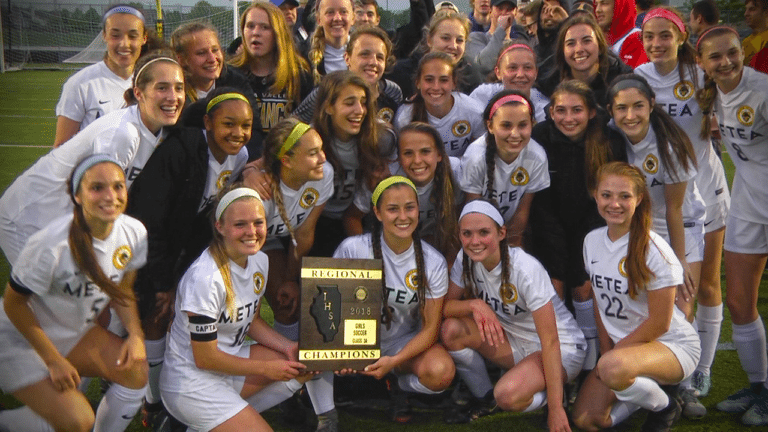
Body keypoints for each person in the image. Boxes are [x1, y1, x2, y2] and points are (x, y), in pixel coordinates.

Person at [124, 88, 251, 425]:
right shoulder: (180, 151)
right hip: (142, 244)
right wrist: (164, 281)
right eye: (228, 124)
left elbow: (201, 214)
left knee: (171, 317)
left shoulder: (239, 157)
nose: (238, 133)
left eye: (246, 125)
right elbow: (151, 222)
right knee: (150, 315)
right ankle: (151, 401)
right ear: (207, 122)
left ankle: (165, 393)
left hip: (180, 246)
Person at [0, 155, 148, 432]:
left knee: (136, 371)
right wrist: (53, 360)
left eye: (118, 186)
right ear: (77, 195)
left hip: (72, 332)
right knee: (78, 420)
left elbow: (122, 291)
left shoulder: (134, 232)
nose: (111, 196)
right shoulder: (51, 244)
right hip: (20, 337)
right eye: (97, 188)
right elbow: (14, 304)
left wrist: (136, 334)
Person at [0, 52, 184, 268]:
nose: (173, 97)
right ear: (139, 93)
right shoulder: (123, 134)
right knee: (48, 297)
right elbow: (97, 202)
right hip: (29, 218)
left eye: (178, 87)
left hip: (63, 220)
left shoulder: (160, 130)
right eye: (162, 88)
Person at [635, 6, 730, 419]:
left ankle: (700, 373)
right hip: (663, 198)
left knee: (705, 285)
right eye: (649, 37)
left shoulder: (700, 74)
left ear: (680, 36)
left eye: (665, 35)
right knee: (671, 292)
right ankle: (673, 370)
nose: (657, 43)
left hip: (706, 190)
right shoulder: (638, 78)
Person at [160, 186, 313, 432]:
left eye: (258, 223)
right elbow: (205, 358)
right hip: (191, 382)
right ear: (219, 226)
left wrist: (289, 346)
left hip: (227, 366)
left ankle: (206, 425)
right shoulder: (205, 278)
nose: (251, 232)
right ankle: (196, 418)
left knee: (296, 365)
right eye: (240, 224)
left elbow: (250, 320)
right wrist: (266, 369)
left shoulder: (259, 260)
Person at [572, 161, 701, 432]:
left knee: (612, 369)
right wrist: (606, 350)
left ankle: (665, 407)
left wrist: (613, 357)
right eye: (606, 195)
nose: (614, 204)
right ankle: (644, 393)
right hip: (626, 349)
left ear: (639, 198)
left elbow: (660, 324)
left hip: (671, 345)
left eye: (624, 196)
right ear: (595, 194)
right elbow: (599, 298)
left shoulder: (654, 250)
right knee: (586, 420)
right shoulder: (591, 240)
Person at [441, 199, 586, 428]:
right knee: (451, 330)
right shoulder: (464, 258)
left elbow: (550, 340)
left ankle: (556, 398)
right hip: (514, 342)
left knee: (508, 395)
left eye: (484, 232)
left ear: (501, 233)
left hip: (562, 349)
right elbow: (446, 307)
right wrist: (475, 304)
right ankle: (485, 398)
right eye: (467, 233)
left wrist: (556, 410)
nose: (475, 241)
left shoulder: (525, 269)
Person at [334, 176, 455, 422]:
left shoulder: (433, 262)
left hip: (400, 345)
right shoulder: (352, 250)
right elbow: (329, 307)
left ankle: (397, 385)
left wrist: (395, 361)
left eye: (409, 207)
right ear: (377, 213)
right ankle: (324, 409)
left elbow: (431, 329)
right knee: (310, 355)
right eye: (392, 209)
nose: (403, 216)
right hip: (354, 342)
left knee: (441, 373)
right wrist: (339, 351)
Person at [696, 25, 768, 426]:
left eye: (732, 53)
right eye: (715, 56)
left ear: (743, 52)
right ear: (702, 63)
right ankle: (758, 386)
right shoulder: (712, 96)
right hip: (746, 205)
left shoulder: (762, 90)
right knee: (740, 303)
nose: (726, 62)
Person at [528, 80, 626, 371]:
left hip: (593, 225)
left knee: (583, 287)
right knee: (554, 286)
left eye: (576, 110)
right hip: (548, 224)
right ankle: (562, 358)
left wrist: (583, 245)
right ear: (550, 112)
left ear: (592, 113)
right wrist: (557, 247)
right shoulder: (540, 136)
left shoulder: (609, 142)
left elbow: (606, 199)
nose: (568, 118)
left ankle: (589, 362)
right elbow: (539, 199)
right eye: (561, 110)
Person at [607, 74, 705, 343]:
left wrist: (680, 259)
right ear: (611, 111)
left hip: (680, 227)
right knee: (644, 308)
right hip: (641, 228)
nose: (630, 115)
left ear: (651, 104)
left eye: (638, 106)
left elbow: (675, 208)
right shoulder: (611, 135)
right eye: (621, 108)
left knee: (681, 307)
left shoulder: (670, 145)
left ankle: (694, 374)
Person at [345, 122, 462, 262]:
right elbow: (352, 217)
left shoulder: (454, 172)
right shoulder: (383, 177)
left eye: (425, 151)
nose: (417, 161)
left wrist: (450, 262)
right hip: (386, 249)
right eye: (408, 153)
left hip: (432, 248)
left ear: (439, 154)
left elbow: (458, 221)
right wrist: (368, 256)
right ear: (398, 158)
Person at [460, 90, 549, 248]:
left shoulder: (537, 156)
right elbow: (473, 212)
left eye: (522, 125)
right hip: (479, 232)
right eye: (506, 125)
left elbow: (522, 211)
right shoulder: (475, 158)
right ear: (490, 126)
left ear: (532, 124)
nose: (514, 134)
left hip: (511, 230)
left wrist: (512, 245)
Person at [54, 5, 148, 147]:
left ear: (144, 38)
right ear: (104, 35)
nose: (124, 44)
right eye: (115, 35)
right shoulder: (80, 84)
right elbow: (61, 147)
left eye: (133, 36)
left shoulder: (151, 82)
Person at [230, 1, 313, 136]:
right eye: (250, 26)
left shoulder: (298, 73)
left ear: (278, 32)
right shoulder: (231, 73)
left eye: (265, 27)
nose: (256, 33)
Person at [294, 25, 403, 124]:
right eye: (364, 54)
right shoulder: (326, 91)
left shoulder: (392, 92)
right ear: (347, 58)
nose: (373, 62)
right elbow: (292, 126)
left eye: (380, 57)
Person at [394, 52, 485, 157]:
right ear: (418, 82)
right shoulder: (405, 118)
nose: (436, 87)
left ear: (454, 82)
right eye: (429, 80)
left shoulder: (473, 111)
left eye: (443, 80)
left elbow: (480, 154)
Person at [537, 14, 632, 107]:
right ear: (562, 51)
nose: (579, 49)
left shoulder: (622, 80)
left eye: (586, 41)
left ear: (600, 47)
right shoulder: (546, 82)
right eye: (571, 43)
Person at [387, 9, 483, 98]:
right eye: (445, 38)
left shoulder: (471, 76)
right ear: (429, 40)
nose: (453, 46)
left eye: (459, 40)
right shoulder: (400, 72)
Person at [170, 21, 250, 103]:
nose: (212, 59)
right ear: (181, 59)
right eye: (201, 53)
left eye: (215, 50)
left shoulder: (236, 82)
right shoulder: (171, 94)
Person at [469, 41, 550, 122]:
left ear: (536, 72)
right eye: (512, 68)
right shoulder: (483, 96)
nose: (520, 74)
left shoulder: (544, 110)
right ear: (498, 72)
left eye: (527, 67)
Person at [466, 0, 531, 77]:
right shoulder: (476, 38)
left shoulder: (519, 44)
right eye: (499, 8)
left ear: (515, 12)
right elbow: (484, 65)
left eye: (509, 9)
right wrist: (501, 29)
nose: (504, 13)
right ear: (490, 10)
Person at [306, 0, 356, 83]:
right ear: (318, 19)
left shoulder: (365, 53)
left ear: (353, 17)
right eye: (330, 12)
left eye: (343, 12)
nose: (337, 18)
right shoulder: (304, 56)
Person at [594, 0, 648, 67]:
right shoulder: (599, 39)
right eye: (596, 4)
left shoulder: (636, 39)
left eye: (604, 4)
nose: (597, 10)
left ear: (620, 6)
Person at [743, 0, 768, 65]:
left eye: (752, 9)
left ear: (766, 12)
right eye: (746, 9)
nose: (746, 14)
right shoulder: (746, 42)